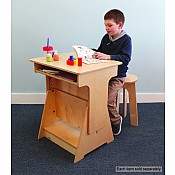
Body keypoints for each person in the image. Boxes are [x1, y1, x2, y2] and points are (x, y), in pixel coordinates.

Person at [93, 9, 132, 135]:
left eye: (110, 25)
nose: (107, 28)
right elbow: (101, 51)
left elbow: (126, 58)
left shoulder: (126, 39)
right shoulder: (106, 37)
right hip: (103, 74)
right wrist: (92, 52)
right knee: (94, 95)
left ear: (119, 25)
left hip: (117, 76)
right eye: (105, 25)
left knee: (107, 100)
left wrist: (109, 57)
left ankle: (116, 120)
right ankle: (98, 121)